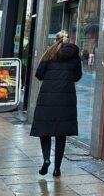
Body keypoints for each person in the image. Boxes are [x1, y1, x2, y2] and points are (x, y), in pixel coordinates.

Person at [29, 31, 81, 177]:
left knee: (44, 130)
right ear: (68, 41)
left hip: (47, 97)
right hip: (66, 98)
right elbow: (77, 76)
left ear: (56, 40)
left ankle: (46, 159)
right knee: (61, 134)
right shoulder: (74, 56)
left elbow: (39, 74)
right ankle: (57, 168)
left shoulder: (49, 53)